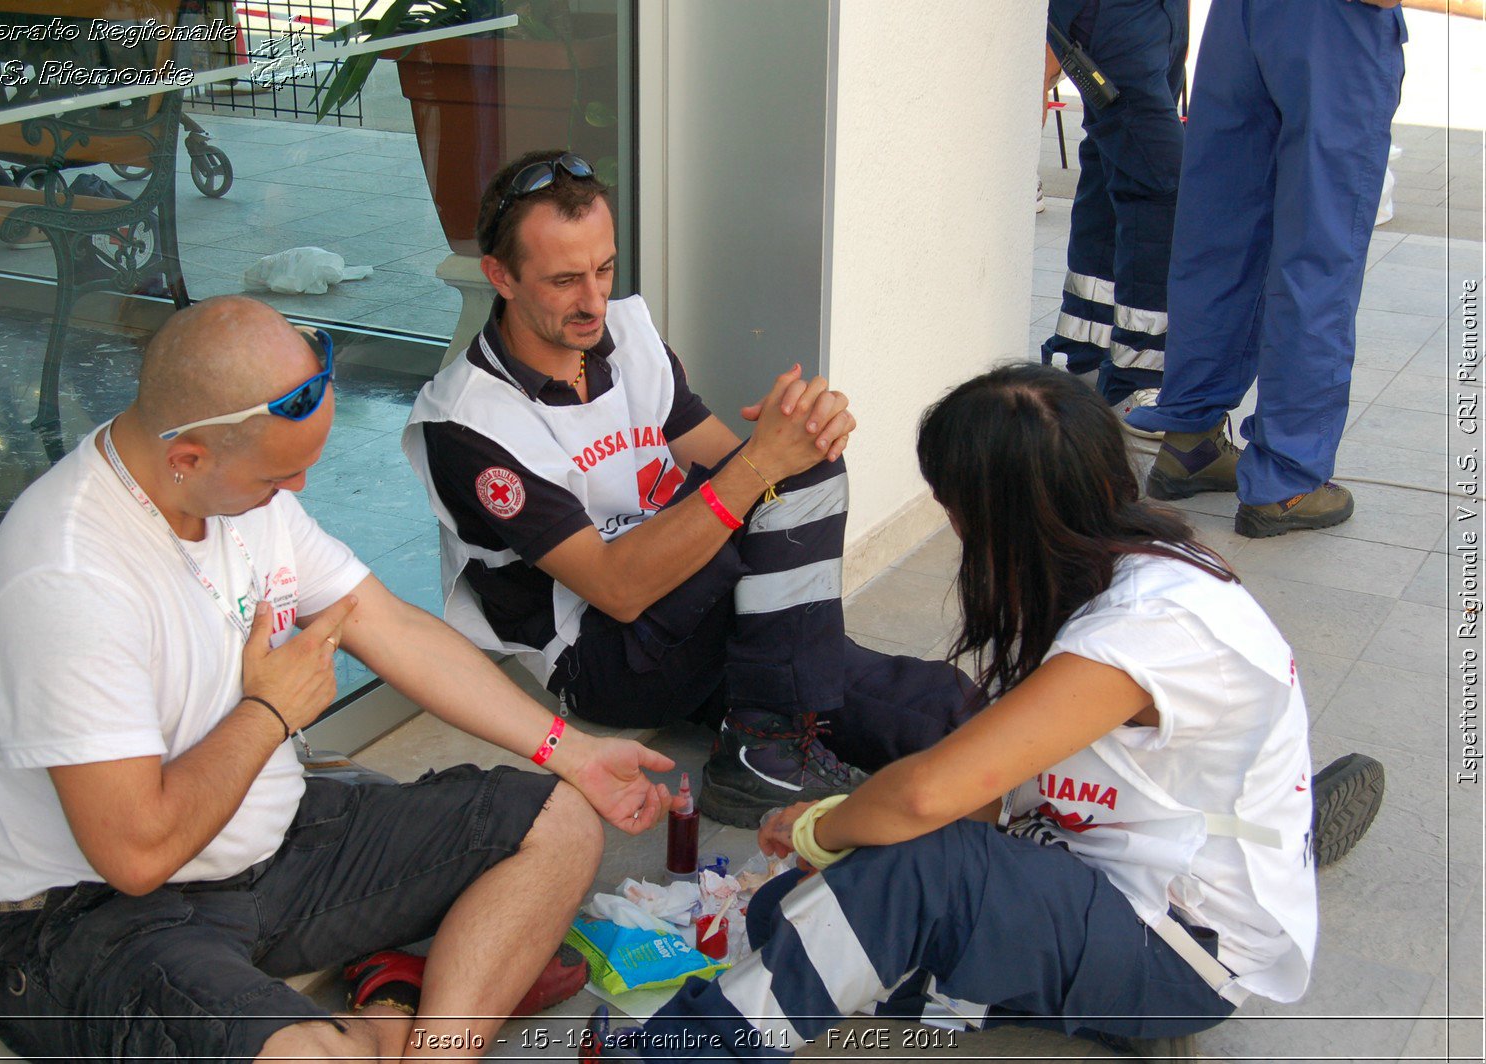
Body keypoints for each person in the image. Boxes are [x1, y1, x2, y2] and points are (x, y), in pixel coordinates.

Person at [584, 366, 1383, 1062]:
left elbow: (933, 795)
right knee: (795, 916)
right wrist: (853, 831)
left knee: (913, 873)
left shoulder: (1150, 628)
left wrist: (815, 828)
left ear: (998, 517)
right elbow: (991, 789)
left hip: (1180, 944)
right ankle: (1097, 992)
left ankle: (686, 1051)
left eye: (953, 507)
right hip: (1115, 866)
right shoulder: (1116, 569)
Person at [0, 295, 678, 1062]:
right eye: (280, 475)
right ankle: (380, 1018)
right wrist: (270, 711)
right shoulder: (67, 578)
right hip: (93, 918)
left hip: (272, 854)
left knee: (560, 821)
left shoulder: (234, 496)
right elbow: (134, 854)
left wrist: (572, 753)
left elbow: (384, 623)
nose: (297, 491)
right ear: (188, 457)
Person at [403, 150, 986, 830]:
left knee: (810, 523)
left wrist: (791, 434)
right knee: (776, 509)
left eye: (605, 268)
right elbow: (615, 588)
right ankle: (772, 736)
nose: (594, 302)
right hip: (602, 654)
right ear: (500, 276)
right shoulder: (469, 421)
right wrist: (760, 467)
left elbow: (723, 458)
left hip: (684, 597)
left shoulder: (624, 334)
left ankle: (796, 738)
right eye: (564, 281)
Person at [1126, 0, 1407, 537]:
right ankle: (1287, 482)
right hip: (1334, 26)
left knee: (1219, 236)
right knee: (1318, 255)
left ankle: (1191, 440)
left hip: (1243, 17)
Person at [1039, 0, 1188, 432]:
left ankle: (1086, 351)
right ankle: (1135, 381)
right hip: (1115, 13)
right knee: (1163, 189)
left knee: (1115, 168)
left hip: (1158, 14)